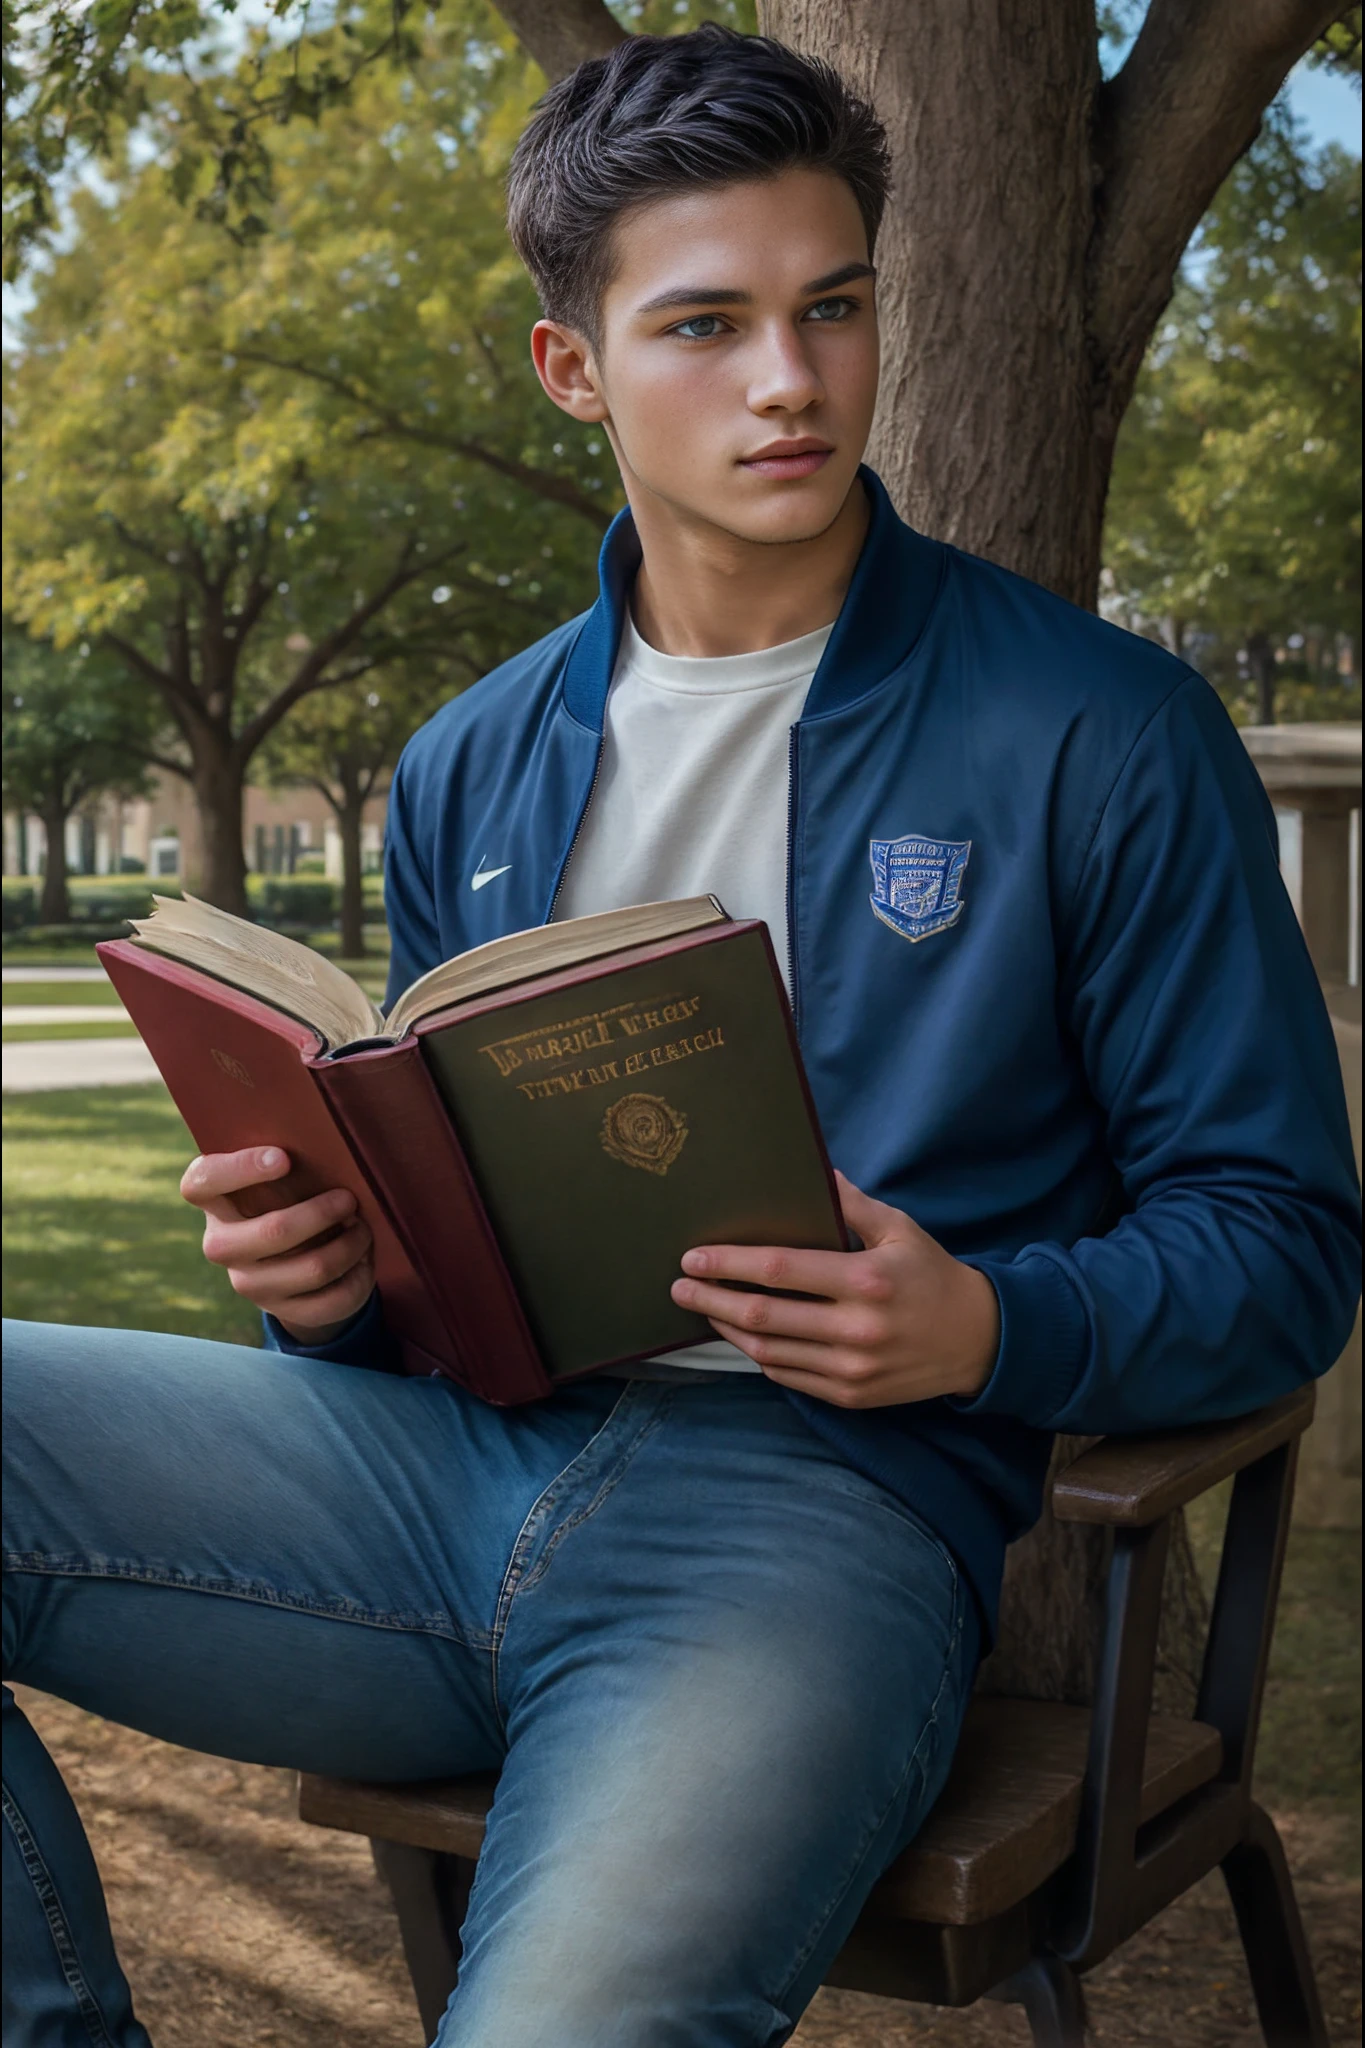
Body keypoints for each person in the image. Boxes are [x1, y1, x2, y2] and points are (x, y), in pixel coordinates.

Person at [3, 24, 1359, 2047]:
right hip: (437, 1470)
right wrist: (330, 1285)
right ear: (576, 369)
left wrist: (986, 1327)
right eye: (706, 324)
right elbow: (441, 1230)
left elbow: (1282, 1237)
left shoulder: (1098, 733)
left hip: (817, 1534)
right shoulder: (470, 757)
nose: (789, 381)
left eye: (831, 309)